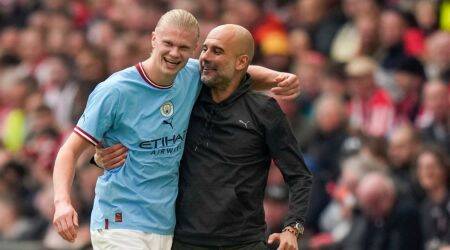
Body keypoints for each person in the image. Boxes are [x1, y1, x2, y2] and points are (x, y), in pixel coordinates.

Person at [53, 9, 301, 250]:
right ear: (153, 39)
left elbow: (237, 72)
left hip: (165, 225)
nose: (174, 53)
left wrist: (278, 78)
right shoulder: (115, 91)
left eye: (183, 48)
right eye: (168, 44)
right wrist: (63, 202)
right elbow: (69, 151)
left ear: (194, 50)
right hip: (119, 219)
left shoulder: (192, 75)